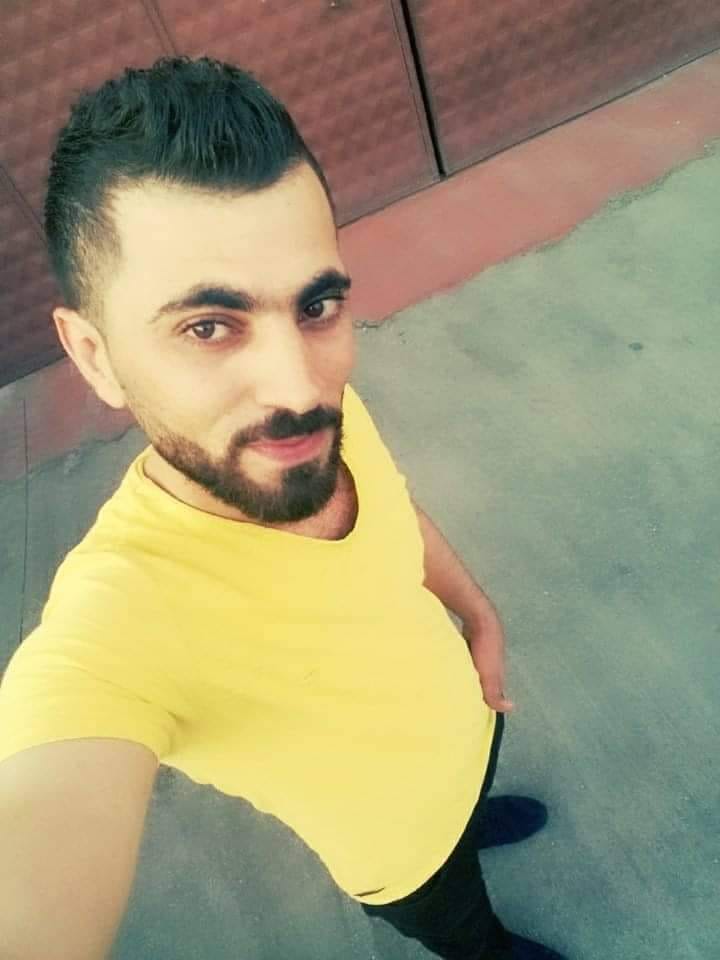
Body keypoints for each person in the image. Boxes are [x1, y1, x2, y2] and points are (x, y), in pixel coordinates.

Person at [0, 56, 566, 960]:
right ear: (95, 355)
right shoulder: (118, 624)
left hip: (471, 724)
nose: (300, 388)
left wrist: (477, 613)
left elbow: (396, 515)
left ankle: (473, 816)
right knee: (469, 927)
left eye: (317, 305)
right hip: (405, 855)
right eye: (207, 326)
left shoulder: (319, 421)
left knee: (471, 813)